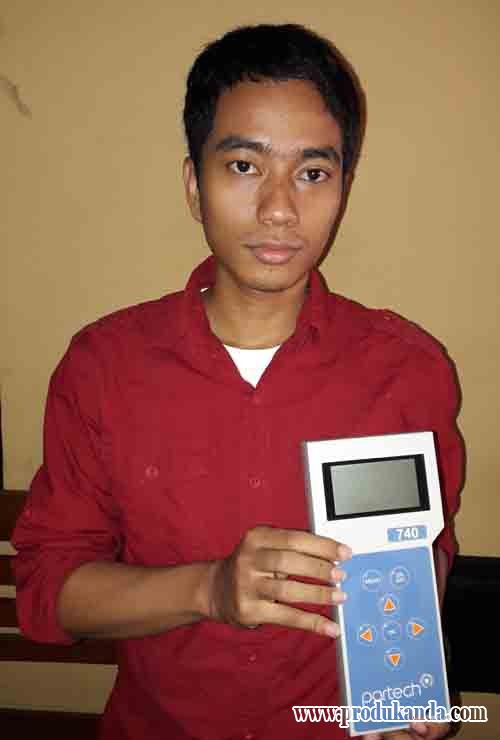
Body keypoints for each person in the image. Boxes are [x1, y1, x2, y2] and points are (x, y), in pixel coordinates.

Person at [12, 23, 463, 740]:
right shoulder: (104, 367)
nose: (279, 209)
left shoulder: (408, 368)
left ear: (343, 188)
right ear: (195, 185)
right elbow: (46, 593)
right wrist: (209, 588)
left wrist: (413, 683)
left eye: (312, 173)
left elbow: (424, 553)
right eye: (245, 166)